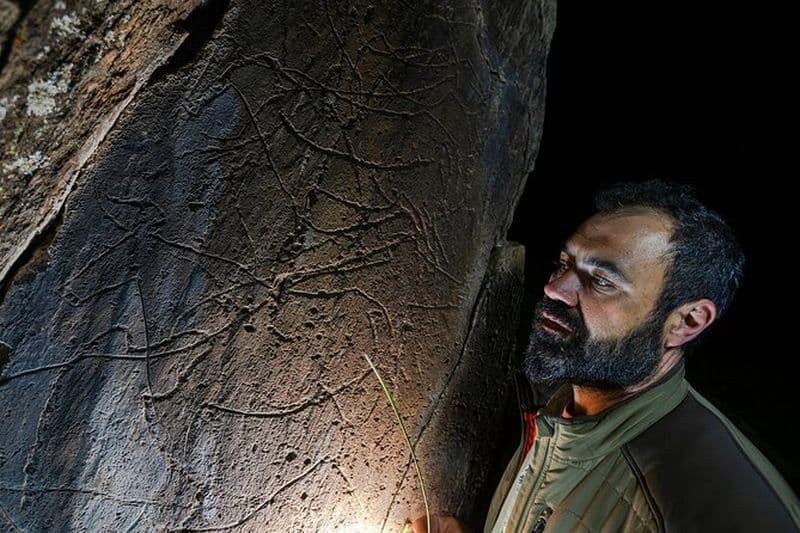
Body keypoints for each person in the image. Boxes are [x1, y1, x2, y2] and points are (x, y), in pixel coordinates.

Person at [413, 179, 800, 532]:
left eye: (601, 280)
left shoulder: (710, 506)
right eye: (564, 264)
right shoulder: (564, 410)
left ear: (687, 321)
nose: (555, 289)